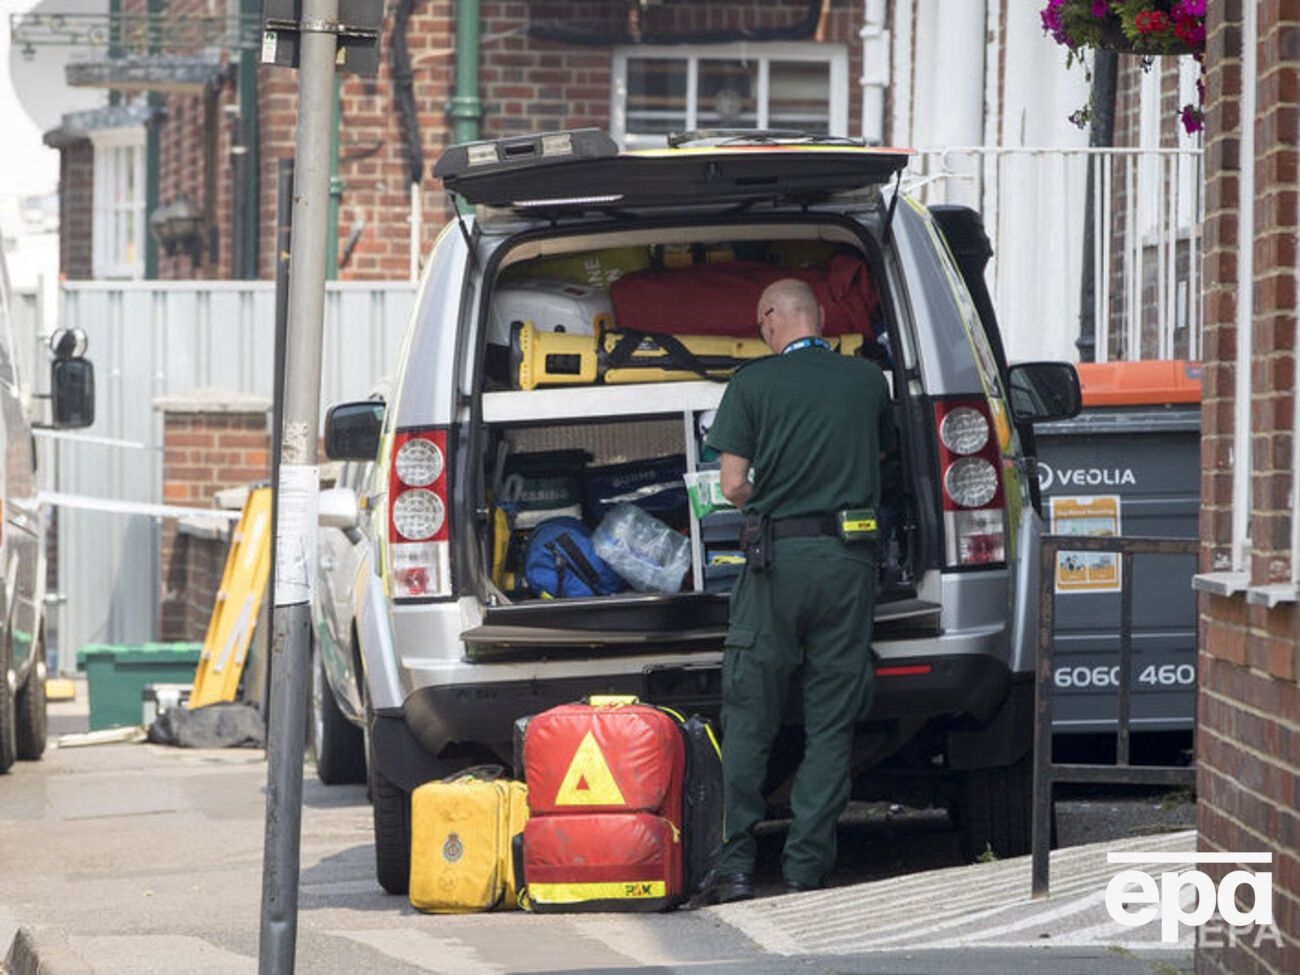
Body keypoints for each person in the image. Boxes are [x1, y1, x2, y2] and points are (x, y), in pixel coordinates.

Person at [702, 277, 894, 902]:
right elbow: (884, 460)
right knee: (832, 720)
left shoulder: (751, 385)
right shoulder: (869, 381)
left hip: (775, 566)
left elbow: (732, 486)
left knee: (751, 715)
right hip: (848, 563)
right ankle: (806, 868)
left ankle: (734, 865)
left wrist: (775, 500)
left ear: (770, 320)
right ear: (818, 318)